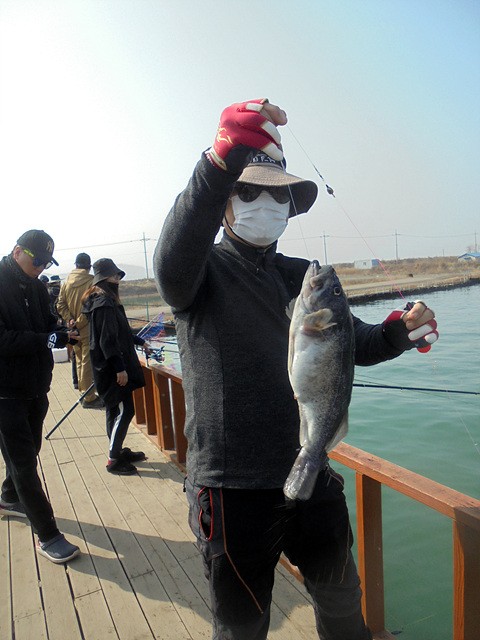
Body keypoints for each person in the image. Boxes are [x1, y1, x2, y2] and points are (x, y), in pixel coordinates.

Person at [153, 99, 439, 640]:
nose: (264, 202)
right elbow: (171, 259)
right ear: (223, 204)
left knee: (342, 602)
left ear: (290, 206)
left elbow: (357, 342)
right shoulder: (198, 273)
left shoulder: (303, 274)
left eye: (277, 193)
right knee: (242, 625)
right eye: (247, 191)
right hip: (231, 488)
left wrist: (400, 331)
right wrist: (216, 164)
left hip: (311, 471)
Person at [0, 229, 81, 564]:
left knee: (30, 450)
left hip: (36, 387)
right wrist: (47, 339)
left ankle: (8, 497)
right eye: (38, 261)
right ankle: (48, 535)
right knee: (24, 463)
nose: (41, 267)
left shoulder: (35, 286)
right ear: (18, 251)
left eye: (47, 262)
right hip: (5, 393)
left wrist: (62, 332)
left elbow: (47, 323)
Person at [82, 258, 151, 475]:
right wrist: (120, 368)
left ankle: (117, 450)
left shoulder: (103, 301)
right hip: (112, 369)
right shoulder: (104, 303)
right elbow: (107, 340)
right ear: (104, 279)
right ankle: (113, 459)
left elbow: (120, 332)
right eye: (114, 276)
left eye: (118, 275)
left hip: (109, 367)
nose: (118, 280)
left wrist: (140, 341)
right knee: (125, 409)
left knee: (115, 409)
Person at [56, 253, 102, 408]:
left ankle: (84, 393)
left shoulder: (66, 283)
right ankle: (89, 397)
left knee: (80, 361)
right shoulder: (92, 282)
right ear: (89, 266)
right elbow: (90, 305)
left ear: (76, 265)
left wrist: (70, 320)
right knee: (87, 362)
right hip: (88, 328)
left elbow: (60, 304)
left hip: (73, 330)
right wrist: (80, 322)